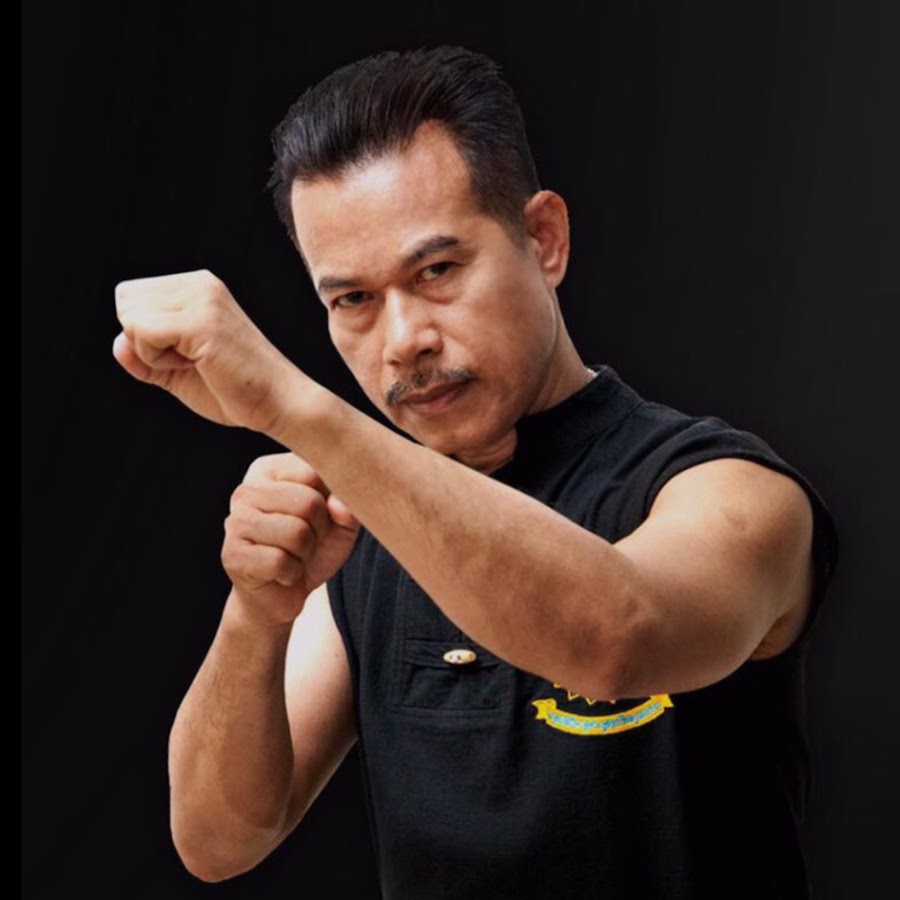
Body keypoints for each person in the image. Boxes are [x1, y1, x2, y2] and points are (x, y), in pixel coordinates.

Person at [112, 45, 839, 900]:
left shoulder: (730, 489)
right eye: (353, 300)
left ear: (544, 239)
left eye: (437, 271)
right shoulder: (360, 530)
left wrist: (293, 409)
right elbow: (217, 839)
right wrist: (257, 610)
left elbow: (614, 639)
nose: (403, 340)